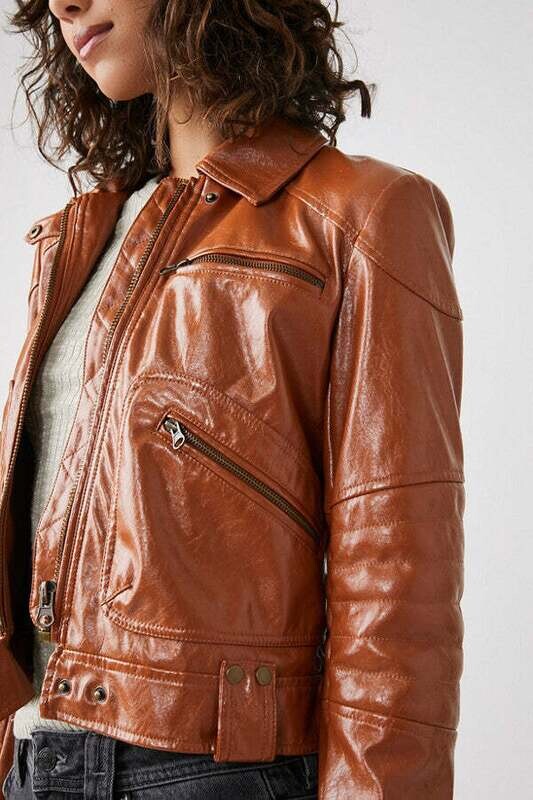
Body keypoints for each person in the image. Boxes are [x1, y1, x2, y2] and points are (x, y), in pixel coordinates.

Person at [0, 0, 465, 798]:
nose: (62, 3)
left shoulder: (358, 214)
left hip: (211, 773)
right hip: (36, 756)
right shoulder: (84, 232)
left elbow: (396, 573)